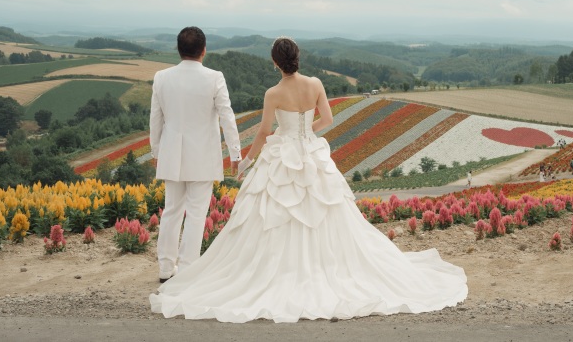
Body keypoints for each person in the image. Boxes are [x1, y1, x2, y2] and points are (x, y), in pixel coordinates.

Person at [150, 37, 467, 322]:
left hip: (280, 153)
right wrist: (305, 135)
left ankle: (179, 268)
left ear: (276, 62)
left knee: (267, 212)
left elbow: (262, 132)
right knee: (326, 211)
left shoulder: (273, 93)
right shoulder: (315, 84)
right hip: (311, 152)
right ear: (297, 58)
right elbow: (327, 118)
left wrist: (246, 160)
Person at [150, 26, 242, 284]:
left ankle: (166, 269)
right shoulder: (214, 77)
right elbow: (227, 115)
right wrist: (235, 152)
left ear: (179, 50)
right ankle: (189, 268)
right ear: (204, 51)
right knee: (197, 213)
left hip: (171, 152)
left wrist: (156, 151)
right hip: (203, 154)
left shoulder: (161, 77)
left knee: (171, 211)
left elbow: (155, 119)